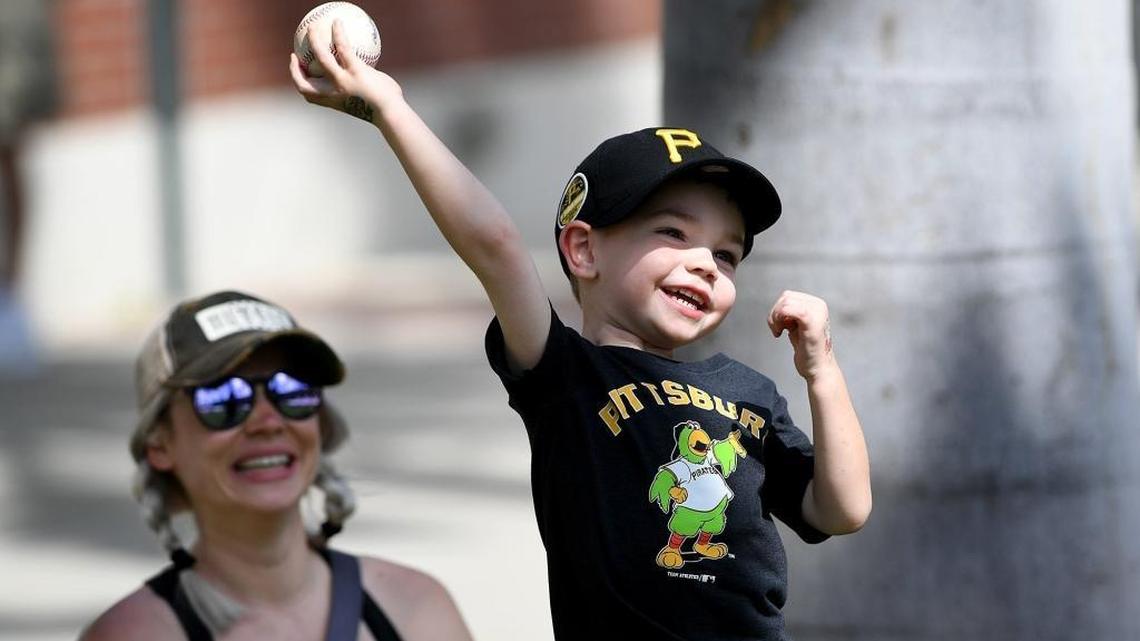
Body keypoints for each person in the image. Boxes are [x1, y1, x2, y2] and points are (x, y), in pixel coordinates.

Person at [291, 21, 871, 640]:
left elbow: (842, 509)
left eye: (726, 255)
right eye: (672, 233)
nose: (706, 262)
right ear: (584, 251)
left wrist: (822, 372)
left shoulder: (749, 392)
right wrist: (389, 108)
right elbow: (495, 244)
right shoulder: (563, 373)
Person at [80, 290, 474, 641]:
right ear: (159, 444)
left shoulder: (415, 609)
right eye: (223, 398)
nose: (268, 421)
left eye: (292, 389)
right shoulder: (132, 634)